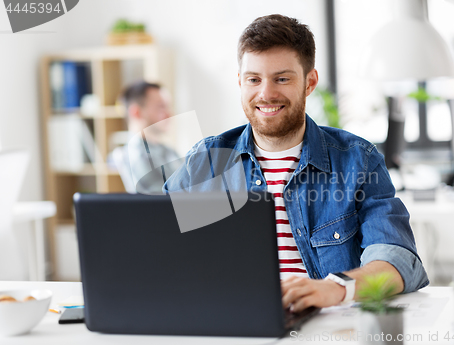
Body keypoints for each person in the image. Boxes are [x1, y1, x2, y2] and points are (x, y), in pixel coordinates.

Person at [164, 14, 428, 312]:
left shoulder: (358, 160)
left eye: (282, 78)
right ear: (240, 82)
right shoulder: (207, 162)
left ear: (309, 82)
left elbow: (397, 260)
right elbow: (153, 246)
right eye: (253, 79)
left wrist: (336, 288)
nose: (266, 94)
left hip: (327, 327)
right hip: (228, 321)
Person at [112, 81, 181, 195]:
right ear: (137, 112)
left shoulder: (167, 150)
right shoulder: (137, 154)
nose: (169, 114)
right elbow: (168, 200)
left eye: (168, 106)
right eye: (161, 107)